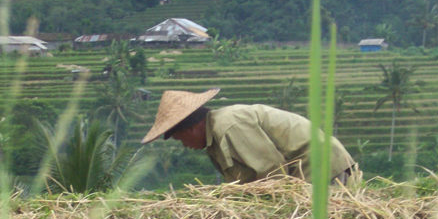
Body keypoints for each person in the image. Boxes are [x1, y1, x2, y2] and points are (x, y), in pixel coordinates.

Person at [141, 88, 358, 184]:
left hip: (323, 169)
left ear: (190, 128)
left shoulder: (228, 127)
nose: (185, 146)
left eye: (181, 139)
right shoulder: (214, 138)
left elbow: (274, 175)